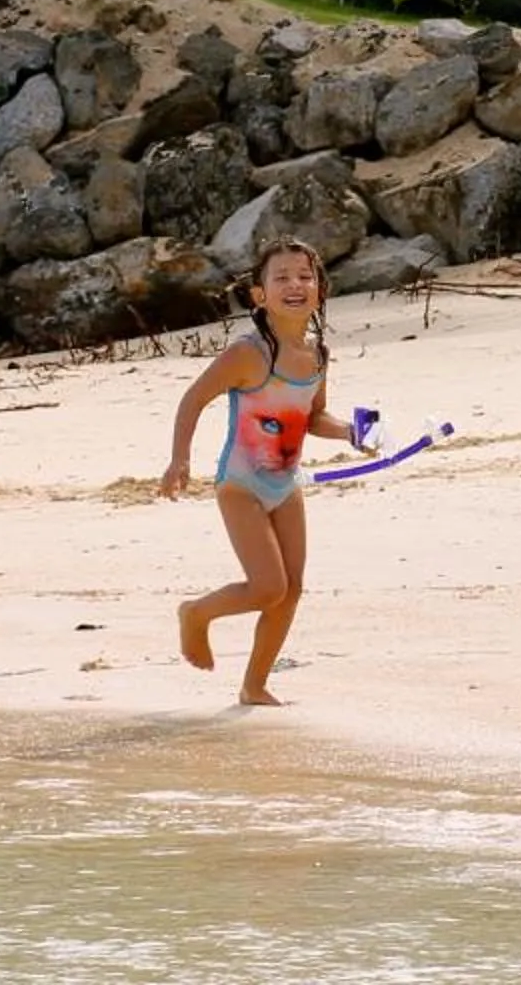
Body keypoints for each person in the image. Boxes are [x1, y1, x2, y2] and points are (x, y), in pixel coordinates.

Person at [159, 238, 363, 707]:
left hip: (285, 485)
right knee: (268, 586)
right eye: (282, 277)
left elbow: (312, 417)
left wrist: (352, 433)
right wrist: (179, 458)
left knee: (290, 592)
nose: (295, 285)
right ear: (259, 295)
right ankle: (195, 614)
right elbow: (193, 398)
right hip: (241, 484)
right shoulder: (249, 354)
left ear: (321, 289)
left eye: (305, 276)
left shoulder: (317, 354)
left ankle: (254, 685)